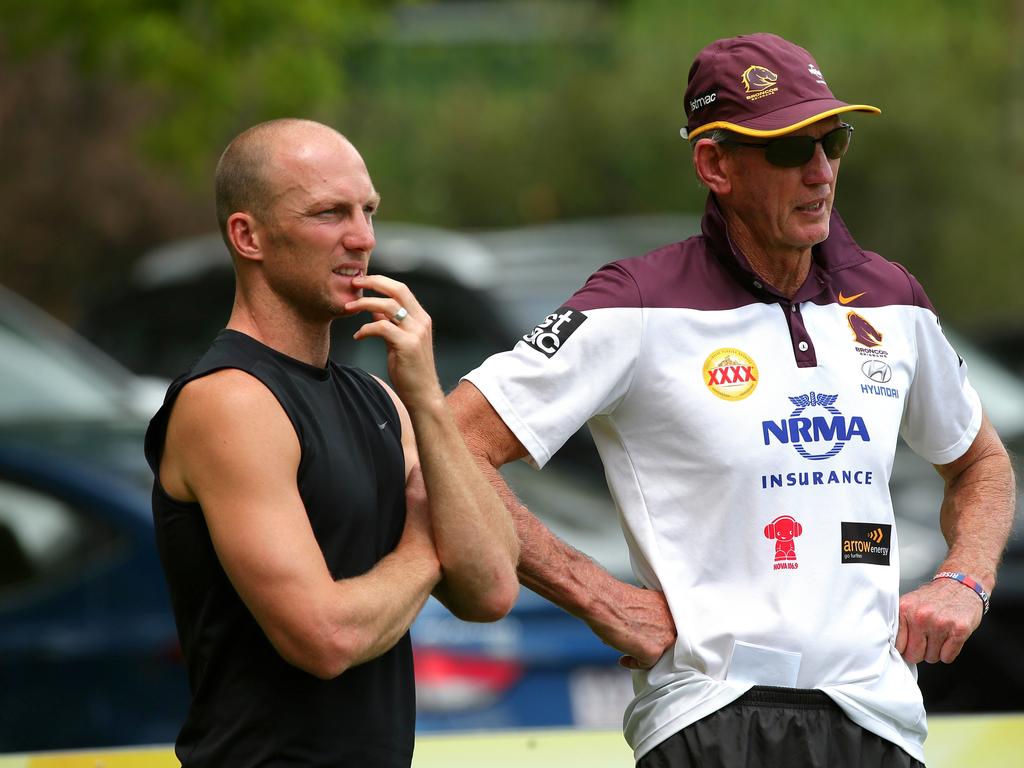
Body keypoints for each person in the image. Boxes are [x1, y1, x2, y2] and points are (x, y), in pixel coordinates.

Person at [448, 32, 1016, 768]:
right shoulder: (637, 302)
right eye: (788, 149)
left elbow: (981, 463)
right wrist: (596, 594)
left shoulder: (891, 298)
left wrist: (965, 578)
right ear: (714, 163)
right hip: (710, 715)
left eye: (831, 140)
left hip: (877, 716)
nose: (819, 173)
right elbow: (449, 443)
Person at [144, 118, 519, 767]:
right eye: (329, 213)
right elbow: (324, 637)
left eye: (368, 211)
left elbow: (488, 587)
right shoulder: (229, 401)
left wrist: (429, 401)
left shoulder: (382, 399)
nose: (363, 238)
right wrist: (430, 543)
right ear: (248, 235)